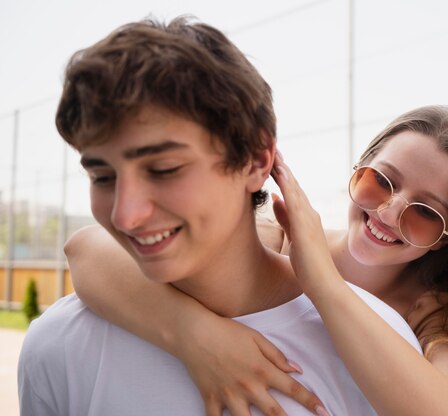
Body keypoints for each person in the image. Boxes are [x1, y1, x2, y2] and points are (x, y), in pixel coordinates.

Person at [17, 16, 423, 416]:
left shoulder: (376, 352)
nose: (126, 215)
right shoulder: (56, 345)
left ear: (255, 160)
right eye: (102, 176)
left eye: (164, 169)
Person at [65, 104, 448, 416]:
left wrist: (323, 285)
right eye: (382, 181)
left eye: (425, 213)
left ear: (446, 237)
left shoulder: (437, 314)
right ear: (358, 170)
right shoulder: (275, 237)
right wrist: (195, 334)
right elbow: (86, 251)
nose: (391, 212)